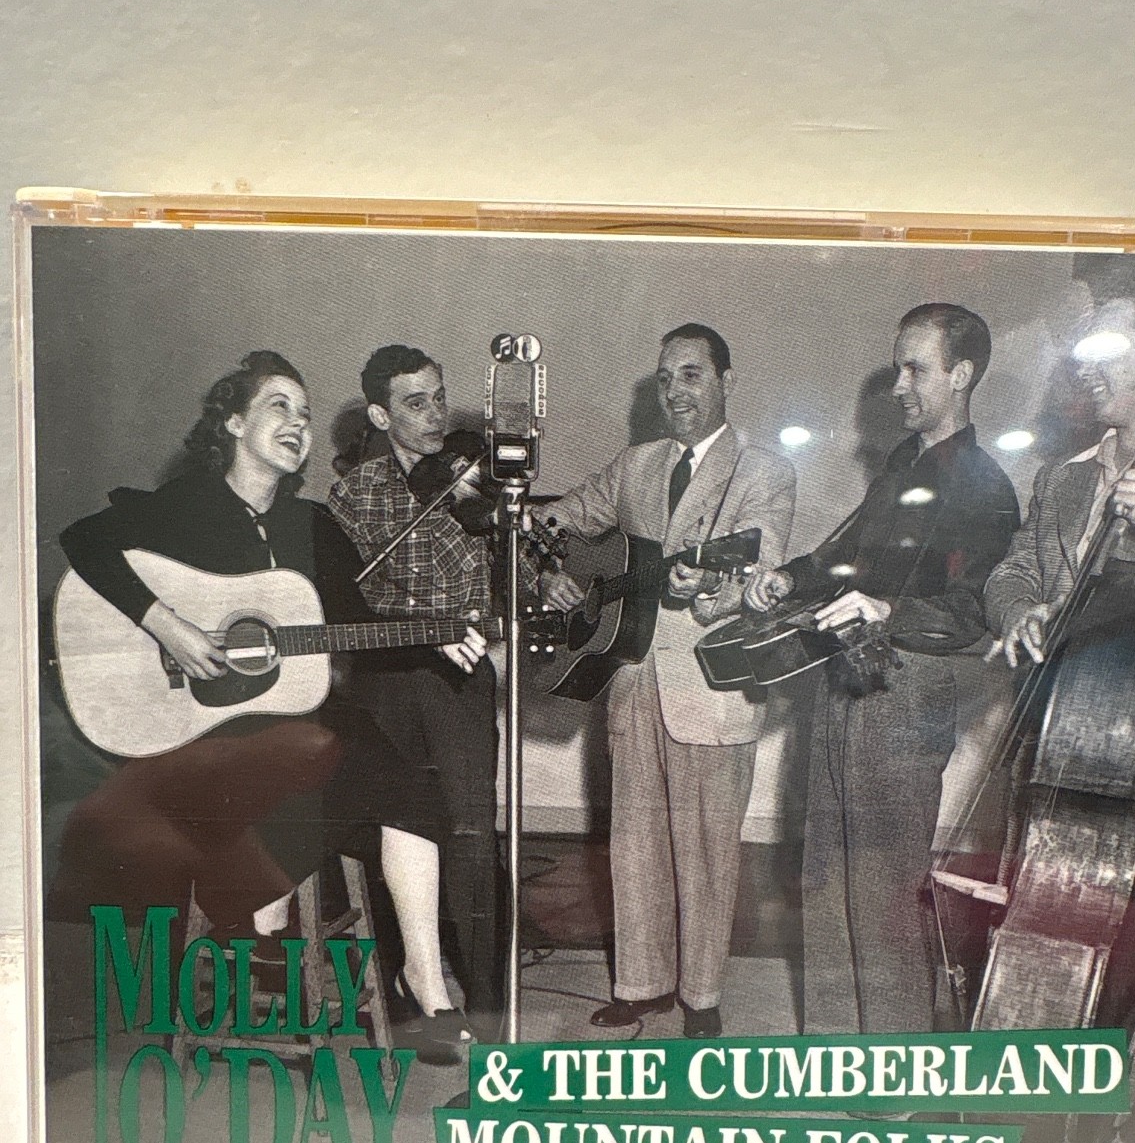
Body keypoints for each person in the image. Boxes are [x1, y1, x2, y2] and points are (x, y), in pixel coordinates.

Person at [745, 303, 1020, 1035]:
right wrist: (791, 579)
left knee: (886, 891)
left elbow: (972, 611)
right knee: (826, 872)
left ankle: (895, 1067)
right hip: (846, 676)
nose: (898, 386)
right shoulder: (904, 464)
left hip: (908, 691)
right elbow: (845, 557)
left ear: (961, 375)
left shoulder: (985, 487)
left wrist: (887, 610)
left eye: (914, 370)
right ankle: (836, 1049)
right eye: (897, 368)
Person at [539, 324, 796, 1038]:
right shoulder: (636, 465)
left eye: (691, 375)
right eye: (664, 379)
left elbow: (762, 563)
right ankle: (641, 983)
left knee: (708, 848)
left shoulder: (765, 472)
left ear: (726, 382)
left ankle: (702, 994)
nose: (675, 392)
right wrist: (549, 570)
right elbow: (554, 520)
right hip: (632, 678)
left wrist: (711, 583)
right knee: (634, 841)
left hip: (712, 685)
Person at [56, 351, 367, 931]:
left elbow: (362, 620)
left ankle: (409, 969)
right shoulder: (187, 503)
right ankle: (261, 927)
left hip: (276, 723)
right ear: (234, 423)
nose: (298, 422)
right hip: (193, 728)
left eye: (305, 413)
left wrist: (445, 635)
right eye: (279, 406)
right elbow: (84, 539)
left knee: (379, 764)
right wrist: (166, 625)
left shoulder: (314, 524)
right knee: (310, 760)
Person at [328, 344, 503, 1045]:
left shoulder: (476, 486)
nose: (435, 415)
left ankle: (487, 1003)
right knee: (402, 834)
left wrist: (525, 554)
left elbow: (500, 579)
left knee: (472, 836)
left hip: (460, 677)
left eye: (439, 397)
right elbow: (354, 599)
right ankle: (413, 988)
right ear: (380, 416)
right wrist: (430, 627)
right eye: (415, 402)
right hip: (387, 681)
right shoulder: (354, 494)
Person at [988, 274, 1135, 668]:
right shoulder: (1060, 477)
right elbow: (1014, 571)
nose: (1084, 370)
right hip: (1059, 688)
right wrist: (1019, 612)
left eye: (1105, 350)